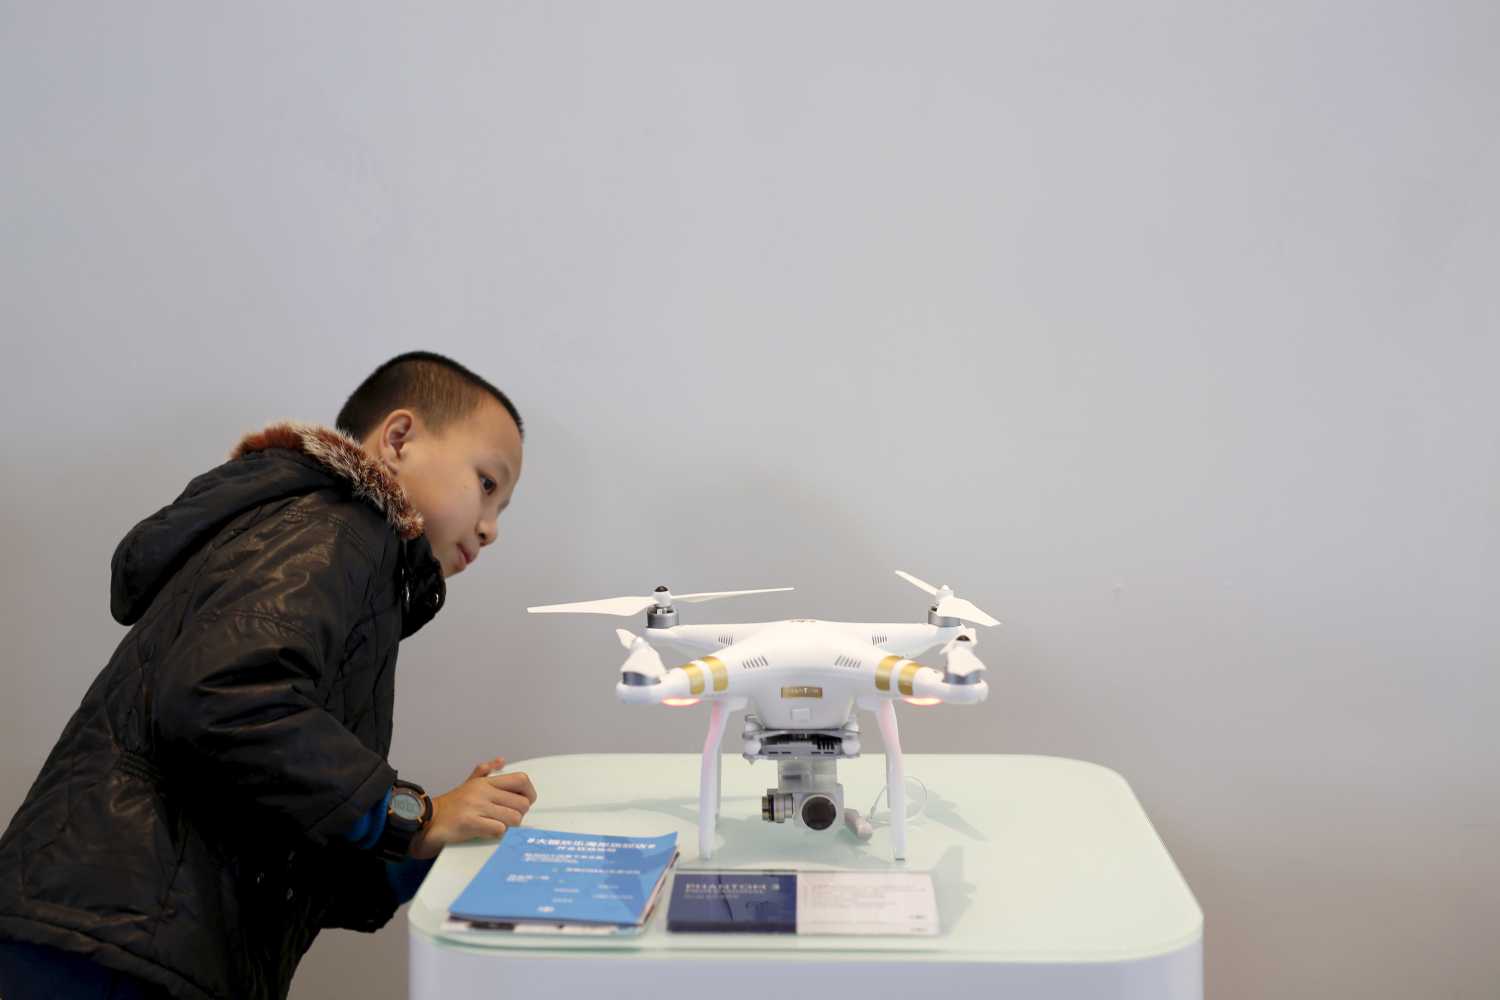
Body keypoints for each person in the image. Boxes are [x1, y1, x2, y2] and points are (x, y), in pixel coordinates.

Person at [0, 351, 537, 1000]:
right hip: (111, 950)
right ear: (398, 439)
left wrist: (430, 843)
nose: (491, 527)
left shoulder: (339, 550)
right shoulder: (334, 525)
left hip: (118, 939)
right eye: (486, 484)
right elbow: (220, 699)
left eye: (502, 506)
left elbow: (297, 832)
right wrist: (412, 815)